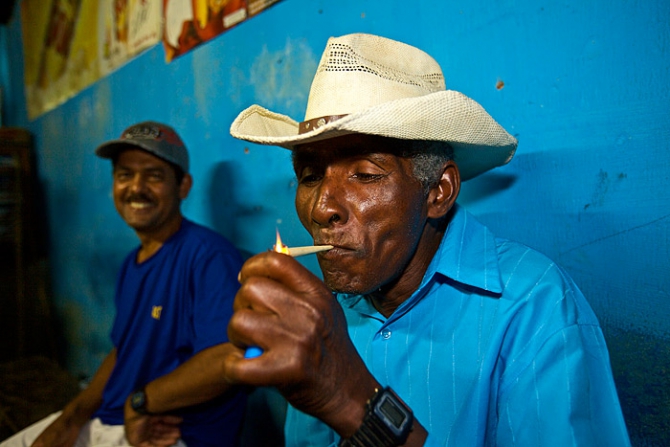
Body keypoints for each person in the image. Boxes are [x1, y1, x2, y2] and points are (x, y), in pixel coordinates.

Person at [223, 33, 631, 446]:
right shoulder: (326, 313)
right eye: (310, 176)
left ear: (438, 191)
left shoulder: (533, 307)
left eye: (364, 174)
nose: (322, 208)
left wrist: (353, 403)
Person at [1, 121, 247, 447]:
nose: (136, 187)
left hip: (169, 433)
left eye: (154, 175)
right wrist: (71, 417)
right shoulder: (132, 264)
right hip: (113, 417)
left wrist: (142, 402)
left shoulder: (208, 256)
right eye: (124, 175)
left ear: (183, 185)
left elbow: (230, 356)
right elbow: (124, 350)